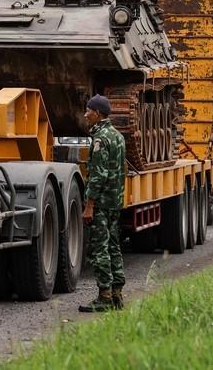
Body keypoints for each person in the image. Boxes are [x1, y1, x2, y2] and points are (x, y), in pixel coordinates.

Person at [78, 94, 126, 312]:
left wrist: (89, 205)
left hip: (101, 203)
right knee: (114, 247)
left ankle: (104, 297)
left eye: (89, 110)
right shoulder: (117, 136)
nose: (86, 114)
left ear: (97, 113)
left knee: (100, 249)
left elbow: (98, 175)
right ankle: (117, 295)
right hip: (115, 201)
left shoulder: (100, 139)